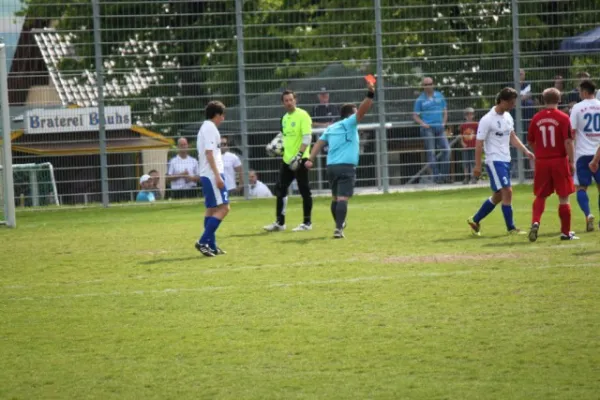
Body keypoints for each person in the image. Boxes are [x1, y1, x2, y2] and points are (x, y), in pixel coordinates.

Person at [305, 81, 375, 238]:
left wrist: (310, 159)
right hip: (346, 167)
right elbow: (363, 110)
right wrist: (370, 94)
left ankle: (339, 223)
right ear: (349, 115)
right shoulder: (350, 123)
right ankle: (338, 229)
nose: (358, 115)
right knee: (343, 198)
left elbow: (319, 143)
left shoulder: (331, 127)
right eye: (355, 112)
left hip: (331, 167)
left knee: (335, 198)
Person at [467, 87, 535, 236]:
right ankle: (511, 228)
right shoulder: (487, 119)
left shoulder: (508, 117)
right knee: (507, 191)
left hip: (505, 160)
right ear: (502, 101)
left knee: (498, 195)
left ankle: (475, 220)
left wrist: (526, 151)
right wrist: (477, 166)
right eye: (511, 102)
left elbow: (512, 137)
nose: (513, 105)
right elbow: (478, 144)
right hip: (494, 160)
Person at [527, 88, 578, 241]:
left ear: (543, 100)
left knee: (540, 195)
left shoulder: (536, 118)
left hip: (542, 161)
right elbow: (568, 141)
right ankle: (565, 232)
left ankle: (535, 222)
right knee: (563, 196)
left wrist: (540, 152)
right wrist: (571, 160)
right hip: (559, 160)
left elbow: (530, 140)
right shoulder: (563, 117)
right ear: (559, 99)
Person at [263, 89, 313, 232]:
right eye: (286, 100)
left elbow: (307, 137)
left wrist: (299, 155)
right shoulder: (284, 118)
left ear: (295, 100)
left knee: (304, 191)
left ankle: (307, 223)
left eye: (291, 100)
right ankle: (280, 223)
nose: (289, 102)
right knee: (280, 188)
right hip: (287, 160)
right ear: (283, 103)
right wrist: (276, 147)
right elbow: (284, 137)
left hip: (300, 159)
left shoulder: (303, 115)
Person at [194, 101, 229, 257]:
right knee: (224, 208)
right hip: (211, 174)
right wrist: (217, 176)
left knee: (212, 209)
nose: (223, 118)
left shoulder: (206, 127)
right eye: (222, 115)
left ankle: (211, 245)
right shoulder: (210, 128)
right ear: (217, 115)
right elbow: (209, 154)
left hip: (207, 174)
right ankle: (202, 241)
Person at [569, 79, 600, 232]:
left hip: (582, 153)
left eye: (580, 91)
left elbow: (572, 132)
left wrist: (570, 155)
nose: (579, 94)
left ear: (585, 91)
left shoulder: (577, 108)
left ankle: (588, 215)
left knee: (581, 187)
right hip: (598, 152)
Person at [413, 77, 450, 183]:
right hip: (428, 129)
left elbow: (445, 110)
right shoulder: (420, 99)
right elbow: (415, 116)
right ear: (423, 86)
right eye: (426, 84)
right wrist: (423, 124)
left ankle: (444, 175)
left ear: (433, 84)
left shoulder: (439, 95)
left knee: (447, 150)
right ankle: (437, 177)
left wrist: (444, 122)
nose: (428, 86)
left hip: (439, 127)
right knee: (431, 153)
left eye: (430, 84)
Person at [459, 107, 478, 184]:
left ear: (473, 115)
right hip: (466, 147)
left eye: (471, 114)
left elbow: (479, 134)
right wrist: (462, 143)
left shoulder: (476, 124)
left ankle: (474, 177)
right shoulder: (463, 125)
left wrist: (478, 144)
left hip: (474, 146)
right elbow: (461, 135)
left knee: (473, 162)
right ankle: (466, 177)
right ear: (465, 116)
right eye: (467, 114)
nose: (469, 116)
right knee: (466, 162)